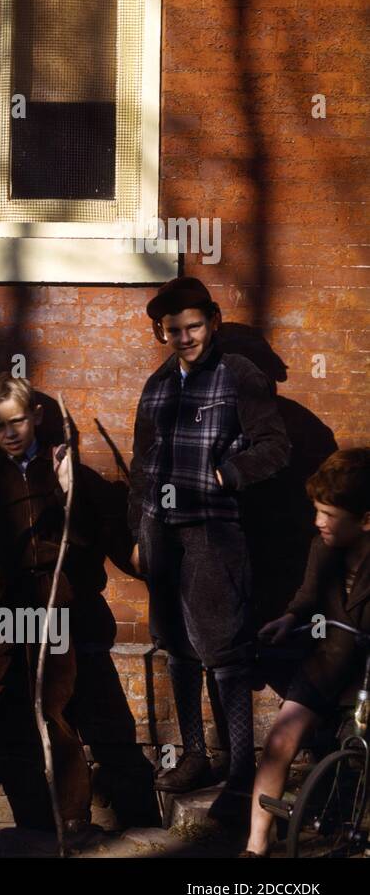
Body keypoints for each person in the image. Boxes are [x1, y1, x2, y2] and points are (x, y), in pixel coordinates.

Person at [0, 373, 127, 838]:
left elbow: (93, 538)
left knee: (57, 703)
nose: (9, 433)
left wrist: (70, 491)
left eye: (16, 422)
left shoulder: (63, 468)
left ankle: (73, 813)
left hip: (49, 596)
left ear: (35, 416)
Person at [129, 277, 290, 806]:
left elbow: (275, 447)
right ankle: (195, 755)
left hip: (213, 533)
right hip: (160, 531)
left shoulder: (241, 376)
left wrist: (229, 475)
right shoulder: (156, 385)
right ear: (162, 332)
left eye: (194, 326)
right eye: (173, 330)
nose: (185, 337)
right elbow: (141, 464)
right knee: (176, 645)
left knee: (225, 651)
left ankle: (240, 768)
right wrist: (138, 532)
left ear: (213, 323)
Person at [242, 449, 370, 856]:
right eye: (317, 511)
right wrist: (289, 618)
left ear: (365, 519)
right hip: (329, 660)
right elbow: (310, 595)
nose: (319, 522)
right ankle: (257, 844)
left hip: (366, 676)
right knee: (280, 740)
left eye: (329, 514)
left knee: (356, 754)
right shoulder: (323, 548)